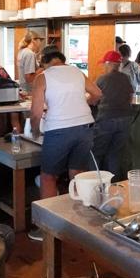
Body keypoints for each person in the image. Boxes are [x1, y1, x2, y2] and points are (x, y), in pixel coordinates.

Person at [29, 46, 102, 240]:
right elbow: (97, 94)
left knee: (48, 177)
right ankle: (79, 224)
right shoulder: (77, 72)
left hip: (59, 130)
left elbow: (36, 112)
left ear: (44, 62)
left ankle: (48, 228)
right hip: (85, 127)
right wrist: (83, 104)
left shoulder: (42, 77)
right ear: (62, 59)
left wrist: (35, 131)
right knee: (77, 174)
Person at [93, 50, 132, 180]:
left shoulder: (102, 79)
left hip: (106, 120)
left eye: (104, 64)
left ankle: (95, 186)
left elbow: (93, 99)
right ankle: (114, 187)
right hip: (125, 121)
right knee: (114, 155)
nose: (104, 66)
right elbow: (130, 97)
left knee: (96, 154)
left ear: (109, 64)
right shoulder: (126, 78)